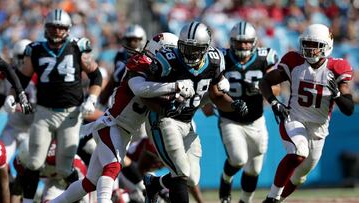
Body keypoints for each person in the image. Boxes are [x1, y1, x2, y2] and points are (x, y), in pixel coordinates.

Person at [50, 32, 196, 203]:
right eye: (171, 53)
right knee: (112, 167)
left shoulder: (159, 73)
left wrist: (178, 95)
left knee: (89, 183)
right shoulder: (141, 63)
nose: (173, 59)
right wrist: (175, 86)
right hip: (113, 125)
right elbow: (140, 89)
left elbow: (157, 95)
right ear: (161, 50)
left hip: (122, 129)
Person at [142, 21, 248, 203]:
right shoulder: (168, 60)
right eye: (185, 48)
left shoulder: (214, 61)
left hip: (187, 122)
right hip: (163, 119)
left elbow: (217, 96)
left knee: (191, 178)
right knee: (181, 173)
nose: (189, 53)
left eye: (195, 49)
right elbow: (145, 92)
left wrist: (233, 104)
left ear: (206, 48)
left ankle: (155, 184)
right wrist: (163, 107)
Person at [14, 9, 103, 203]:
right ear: (46, 28)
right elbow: (22, 78)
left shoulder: (77, 47)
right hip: (44, 112)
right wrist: (14, 97)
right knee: (34, 161)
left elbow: (96, 75)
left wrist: (92, 99)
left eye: (60, 28)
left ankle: (82, 199)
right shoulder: (35, 49)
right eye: (53, 27)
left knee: (64, 168)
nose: (56, 31)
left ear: (68, 29)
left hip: (70, 114)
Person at [259, 24, 354, 203]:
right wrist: (273, 102)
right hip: (294, 118)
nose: (310, 49)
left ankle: (277, 200)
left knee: (300, 175)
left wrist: (338, 95)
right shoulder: (294, 61)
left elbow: (349, 109)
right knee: (298, 152)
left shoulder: (336, 68)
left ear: (326, 45)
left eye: (315, 44)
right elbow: (264, 82)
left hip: (319, 129)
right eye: (307, 43)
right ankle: (271, 198)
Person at [209, 21, 279, 203]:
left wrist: (258, 88)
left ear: (254, 42)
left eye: (247, 41)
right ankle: (226, 179)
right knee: (238, 159)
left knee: (254, 169)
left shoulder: (265, 57)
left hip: (256, 120)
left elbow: (276, 87)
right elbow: (210, 86)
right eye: (240, 42)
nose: (244, 45)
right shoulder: (222, 57)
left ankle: (245, 201)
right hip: (230, 118)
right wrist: (206, 103)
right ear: (232, 42)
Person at [11, 139, 89, 203]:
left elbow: (74, 181)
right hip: (52, 179)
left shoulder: (56, 157)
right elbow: (18, 190)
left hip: (75, 174)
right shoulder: (22, 159)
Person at [1, 39, 35, 168]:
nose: (24, 60)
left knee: (29, 166)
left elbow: (41, 107)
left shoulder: (39, 76)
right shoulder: (7, 75)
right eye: (21, 56)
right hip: (13, 127)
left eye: (27, 57)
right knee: (1, 161)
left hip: (32, 129)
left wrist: (19, 107)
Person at [99, 24, 147, 106]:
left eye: (135, 40)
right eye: (129, 40)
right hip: (121, 92)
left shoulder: (147, 57)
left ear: (142, 40)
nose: (131, 43)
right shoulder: (121, 54)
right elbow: (116, 77)